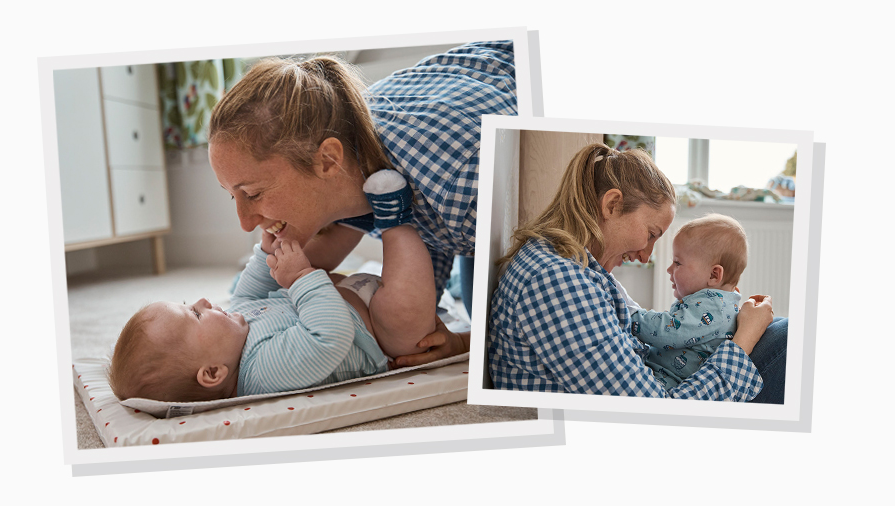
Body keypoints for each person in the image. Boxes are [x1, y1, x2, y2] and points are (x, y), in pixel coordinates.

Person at [207, 41, 517, 367]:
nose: (245, 221)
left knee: (486, 310)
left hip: (516, 148)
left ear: (328, 160)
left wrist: (464, 342)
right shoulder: (342, 134)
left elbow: (560, 267)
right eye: (233, 195)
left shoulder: (466, 187)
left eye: (253, 193)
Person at [108, 171, 450, 401]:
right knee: (405, 319)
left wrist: (267, 252)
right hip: (380, 331)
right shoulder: (264, 373)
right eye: (195, 316)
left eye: (189, 303)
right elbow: (330, 335)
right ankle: (394, 221)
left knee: (297, 255)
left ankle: (353, 213)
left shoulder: (233, 327)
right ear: (213, 372)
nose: (202, 301)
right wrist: (300, 278)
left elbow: (248, 292)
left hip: (342, 291)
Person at [488, 142, 787, 402]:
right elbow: (658, 411)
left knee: (786, 335)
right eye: (651, 233)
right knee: (789, 340)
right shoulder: (556, 282)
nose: (646, 256)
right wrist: (745, 338)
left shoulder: (577, 268)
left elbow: (637, 323)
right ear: (612, 205)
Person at [631, 213, 749, 389]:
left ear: (713, 275)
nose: (670, 269)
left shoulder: (714, 306)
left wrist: (631, 315)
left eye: (678, 263)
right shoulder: (715, 301)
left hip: (668, 382)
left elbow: (668, 331)